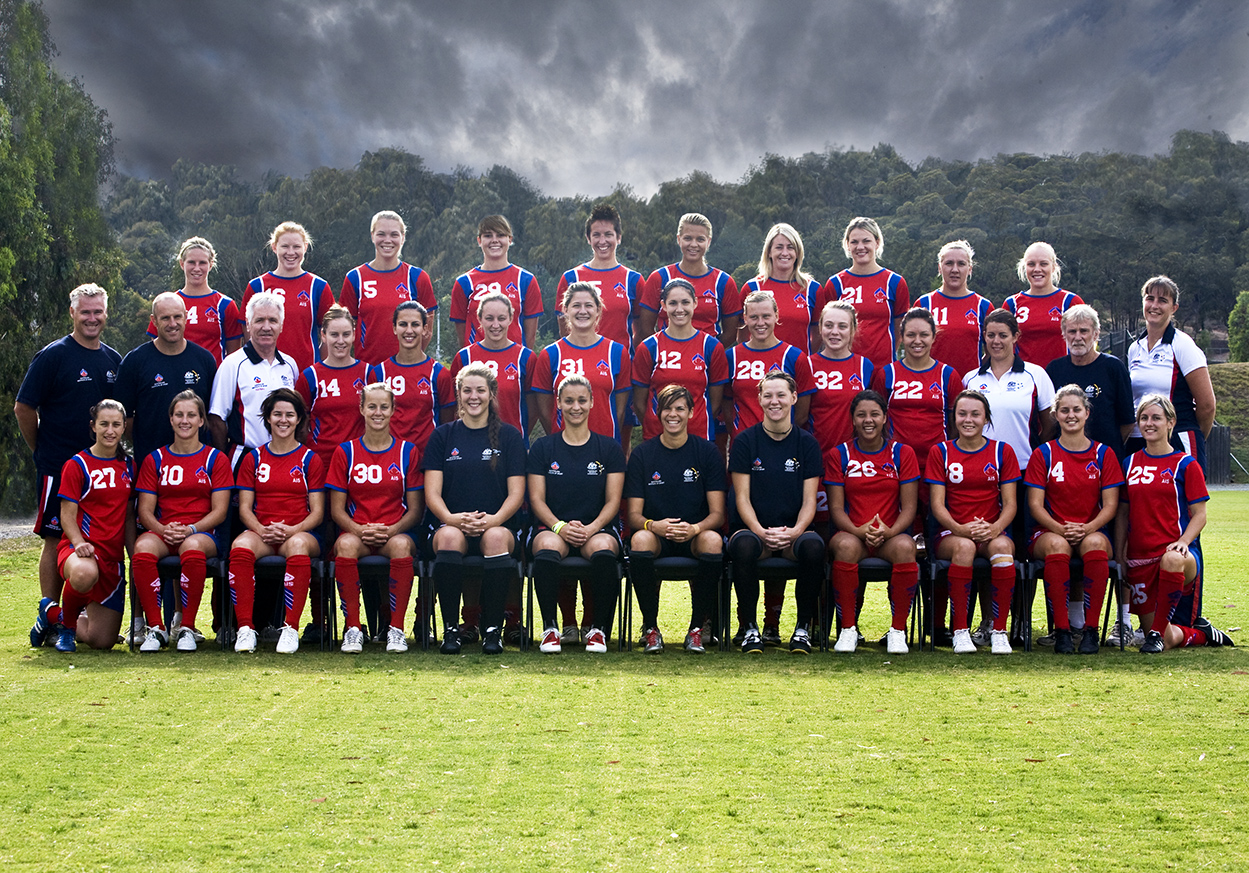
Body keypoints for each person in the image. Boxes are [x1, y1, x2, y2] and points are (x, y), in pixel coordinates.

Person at [18, 284, 122, 649]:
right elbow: (24, 408)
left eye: (98, 312)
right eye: (85, 312)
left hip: (102, 469)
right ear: (72, 313)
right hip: (59, 465)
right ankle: (49, 612)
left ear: (105, 314)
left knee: (95, 539)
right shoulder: (53, 356)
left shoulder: (112, 359)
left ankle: (72, 619)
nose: (92, 318)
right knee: (55, 536)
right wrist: (43, 450)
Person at [1114, 394, 1232, 652]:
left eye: (1156, 417)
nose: (1149, 423)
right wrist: (1120, 551)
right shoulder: (1130, 463)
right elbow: (1122, 514)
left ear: (1170, 422)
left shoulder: (1185, 464)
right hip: (1140, 559)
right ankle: (1202, 635)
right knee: (1165, 641)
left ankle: (1156, 631)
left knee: (1172, 559)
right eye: (1144, 418)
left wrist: (1183, 542)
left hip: (1177, 556)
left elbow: (1199, 514)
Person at [424, 363, 527, 655]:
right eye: (467, 390)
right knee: (448, 539)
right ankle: (451, 630)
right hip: (451, 522)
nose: (474, 396)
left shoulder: (509, 437)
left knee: (494, 538)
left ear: (491, 393)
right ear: (458, 394)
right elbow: (432, 494)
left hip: (497, 524)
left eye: (481, 390)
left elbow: (516, 494)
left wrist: (493, 520)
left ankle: (492, 630)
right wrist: (451, 519)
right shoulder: (443, 435)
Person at [527, 374, 627, 654]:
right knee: (546, 546)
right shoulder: (543, 448)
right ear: (558, 403)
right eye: (568, 400)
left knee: (604, 548)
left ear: (593, 402)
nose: (576, 406)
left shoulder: (609, 448)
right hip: (554, 528)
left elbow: (613, 500)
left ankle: (597, 629)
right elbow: (536, 499)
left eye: (582, 400)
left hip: (596, 528)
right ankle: (550, 628)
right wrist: (559, 527)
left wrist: (592, 527)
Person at [625, 385, 726, 654]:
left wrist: (695, 528)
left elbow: (717, 514)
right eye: (667, 408)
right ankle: (650, 628)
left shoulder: (707, 452)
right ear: (658, 413)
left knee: (713, 541)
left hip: (694, 534)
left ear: (691, 413)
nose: (673, 414)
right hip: (658, 533)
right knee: (640, 539)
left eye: (680, 408)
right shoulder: (642, 454)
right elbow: (634, 515)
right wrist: (652, 525)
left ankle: (696, 629)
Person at [728, 373, 824, 655]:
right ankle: (750, 629)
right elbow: (742, 498)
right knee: (743, 545)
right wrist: (760, 531)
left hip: (792, 533)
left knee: (814, 547)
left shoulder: (807, 444)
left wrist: (795, 531)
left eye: (781, 395)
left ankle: (802, 629)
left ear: (794, 398)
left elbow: (810, 501)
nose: (775, 401)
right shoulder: (745, 441)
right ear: (759, 400)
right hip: (755, 532)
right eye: (768, 395)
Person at [1025, 385, 1123, 655]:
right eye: (1064, 410)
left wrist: (1088, 527)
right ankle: (1063, 632)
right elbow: (1035, 505)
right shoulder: (1043, 453)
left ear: (1087, 413)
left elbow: (1111, 505)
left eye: (1076, 409)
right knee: (1057, 545)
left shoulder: (1103, 454)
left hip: (1091, 528)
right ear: (1055, 415)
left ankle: (1091, 631)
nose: (1071, 415)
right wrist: (1060, 528)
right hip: (1050, 530)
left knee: (1095, 544)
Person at [132, 391, 233, 653]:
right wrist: (163, 530)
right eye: (179, 415)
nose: (184, 420)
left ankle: (186, 627)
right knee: (142, 549)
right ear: (171, 419)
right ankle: (156, 628)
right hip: (164, 531)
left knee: (192, 548)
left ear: (202, 421)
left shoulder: (215, 459)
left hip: (202, 532)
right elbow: (145, 511)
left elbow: (220, 511)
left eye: (191, 415)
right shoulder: (155, 459)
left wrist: (191, 529)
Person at [327, 383, 424, 654]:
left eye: (384, 406)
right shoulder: (345, 452)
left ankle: (396, 629)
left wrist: (391, 530)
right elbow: (337, 510)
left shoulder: (408, 452)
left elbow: (415, 510)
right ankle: (354, 629)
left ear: (393, 410)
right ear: (361, 409)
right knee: (344, 546)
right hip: (358, 532)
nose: (377, 412)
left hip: (396, 532)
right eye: (372, 406)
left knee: (403, 547)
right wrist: (359, 530)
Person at [228, 389, 325, 654]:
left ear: (299, 420)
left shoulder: (309, 459)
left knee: (297, 546)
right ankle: (246, 629)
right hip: (262, 532)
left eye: (289, 415)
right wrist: (261, 530)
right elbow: (245, 509)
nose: (283, 420)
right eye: (277, 414)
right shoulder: (254, 458)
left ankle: (290, 628)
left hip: (299, 532)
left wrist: (291, 530)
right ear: (268, 419)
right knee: (240, 547)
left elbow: (317, 512)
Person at [825, 390, 921, 655]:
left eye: (875, 414)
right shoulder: (839, 454)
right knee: (844, 547)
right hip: (853, 533)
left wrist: (889, 532)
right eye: (861, 415)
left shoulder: (902, 453)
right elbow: (835, 507)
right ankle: (847, 630)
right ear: (853, 420)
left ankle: (898, 631)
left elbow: (909, 507)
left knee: (905, 548)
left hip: (890, 535)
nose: (868, 420)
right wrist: (858, 530)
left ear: (884, 418)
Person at [35, 400, 134, 653]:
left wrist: (134, 555)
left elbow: (129, 517)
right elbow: (66, 516)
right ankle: (66, 628)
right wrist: (79, 543)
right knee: (84, 574)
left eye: (116, 424)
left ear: (124, 428)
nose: (110, 430)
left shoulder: (130, 466)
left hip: (112, 560)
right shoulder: (77, 464)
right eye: (104, 424)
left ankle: (50, 613)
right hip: (80, 552)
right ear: (93, 426)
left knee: (101, 641)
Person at [926, 390, 1021, 655]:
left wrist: (994, 528)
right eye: (962, 414)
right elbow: (937, 504)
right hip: (952, 533)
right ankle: (960, 631)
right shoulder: (941, 451)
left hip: (991, 530)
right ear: (954, 417)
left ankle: (999, 631)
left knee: (1004, 548)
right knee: (964, 548)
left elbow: (1010, 503)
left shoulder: (1002, 451)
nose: (969, 420)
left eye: (975, 414)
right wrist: (960, 529)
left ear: (986, 418)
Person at [1125, 275, 1216, 472]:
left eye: (1163, 300)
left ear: (1174, 308)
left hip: (1178, 437)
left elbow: (1207, 405)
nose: (1154, 305)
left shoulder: (1182, 345)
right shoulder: (1135, 348)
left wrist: (1192, 435)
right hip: (1140, 439)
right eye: (1150, 298)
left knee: (1184, 501)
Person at [116, 292, 217, 467]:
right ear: (154, 320)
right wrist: (145, 442)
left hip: (198, 464)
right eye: (165, 318)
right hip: (151, 465)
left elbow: (212, 414)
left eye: (177, 317)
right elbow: (125, 419)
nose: (172, 324)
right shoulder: (134, 362)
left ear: (186, 317)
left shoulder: (205, 360)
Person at [632, 278, 729, 442]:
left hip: (698, 437)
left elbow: (715, 403)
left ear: (695, 303)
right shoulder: (649, 347)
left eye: (685, 302)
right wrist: (656, 426)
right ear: (663, 306)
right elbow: (640, 404)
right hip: (657, 437)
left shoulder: (711, 347)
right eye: (673, 303)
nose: (679, 309)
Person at [208, 291, 300, 462]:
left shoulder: (289, 365)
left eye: (272, 320)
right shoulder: (232, 364)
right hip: (245, 457)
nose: (266, 327)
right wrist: (222, 463)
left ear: (281, 325)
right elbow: (216, 419)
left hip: (285, 458)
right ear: (248, 325)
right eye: (259, 320)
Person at [962, 308, 1055, 475]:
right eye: (991, 335)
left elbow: (1050, 424)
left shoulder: (1036, 375)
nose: (996, 341)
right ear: (984, 336)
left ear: (1015, 337)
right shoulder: (970, 379)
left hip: (1025, 468)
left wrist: (1034, 453)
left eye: (1003, 335)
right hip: (981, 468)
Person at [533, 282, 630, 441]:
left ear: (598, 310)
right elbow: (544, 411)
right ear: (565, 310)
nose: (582, 311)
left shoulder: (617, 353)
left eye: (589, 306)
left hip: (605, 447)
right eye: (576, 305)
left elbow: (619, 411)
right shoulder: (550, 354)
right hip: (564, 447)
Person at [339, 210, 438, 365]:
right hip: (368, 370)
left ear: (403, 238)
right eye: (381, 234)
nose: (387, 240)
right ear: (372, 236)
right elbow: (344, 330)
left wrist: (409, 359)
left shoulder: (417, 277)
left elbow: (427, 331)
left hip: (406, 370)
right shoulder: (355, 277)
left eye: (394, 234)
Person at [1045, 304, 1134, 462]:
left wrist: (1108, 448)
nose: (1078, 337)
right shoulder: (1054, 370)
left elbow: (1127, 422)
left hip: (1106, 461)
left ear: (1096, 334)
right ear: (1064, 334)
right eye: (1072, 331)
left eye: (1084, 331)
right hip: (1065, 461)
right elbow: (1049, 422)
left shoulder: (1113, 368)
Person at [638, 212, 741, 345]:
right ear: (678, 239)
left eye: (700, 239)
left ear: (708, 242)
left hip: (706, 362)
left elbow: (731, 334)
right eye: (688, 238)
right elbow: (645, 329)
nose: (693, 244)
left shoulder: (723, 281)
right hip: (667, 360)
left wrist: (708, 353)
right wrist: (665, 351)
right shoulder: (659, 277)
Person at [722, 289, 814, 438]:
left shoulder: (794, 357)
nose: (760, 323)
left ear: (776, 316)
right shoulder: (731, 357)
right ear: (745, 319)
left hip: (782, 444)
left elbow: (802, 414)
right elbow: (726, 405)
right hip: (743, 444)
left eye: (766, 316)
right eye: (754, 317)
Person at [367, 301, 454, 459]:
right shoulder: (379, 373)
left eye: (415, 324)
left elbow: (446, 423)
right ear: (394, 328)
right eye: (402, 324)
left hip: (428, 460)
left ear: (425, 329)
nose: (409, 330)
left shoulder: (439, 373)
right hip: (389, 460)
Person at [244, 222, 334, 373]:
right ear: (274, 247)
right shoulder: (257, 286)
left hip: (305, 371)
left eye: (296, 247)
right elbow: (248, 334)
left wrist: (318, 367)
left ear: (305, 247)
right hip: (265, 372)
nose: (290, 252)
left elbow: (330, 334)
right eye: (285, 246)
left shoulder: (318, 286)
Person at [821, 217, 910, 369]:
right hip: (845, 368)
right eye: (854, 242)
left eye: (866, 241)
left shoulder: (894, 282)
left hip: (882, 368)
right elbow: (826, 328)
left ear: (877, 243)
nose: (860, 246)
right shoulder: (836, 283)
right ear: (847, 245)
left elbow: (900, 329)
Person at [450, 292, 535, 443]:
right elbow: (455, 406)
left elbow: (534, 408)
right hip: (471, 444)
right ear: (480, 319)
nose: (495, 325)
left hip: (512, 444)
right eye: (489, 318)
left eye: (501, 318)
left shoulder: (526, 357)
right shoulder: (464, 357)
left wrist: (517, 437)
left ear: (510, 318)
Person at [555, 203, 643, 349]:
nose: (602, 241)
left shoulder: (633, 280)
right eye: (596, 235)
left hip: (620, 367)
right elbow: (565, 331)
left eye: (608, 234)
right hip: (580, 366)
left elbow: (641, 332)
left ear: (619, 237)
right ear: (588, 238)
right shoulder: (571, 278)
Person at [296, 306, 371, 475]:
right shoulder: (309, 376)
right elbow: (300, 425)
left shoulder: (369, 374)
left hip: (359, 463)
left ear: (354, 334)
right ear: (323, 335)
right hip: (321, 462)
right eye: (334, 335)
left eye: (345, 334)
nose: (340, 341)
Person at [146, 237, 243, 366]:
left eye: (202, 263)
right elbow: (156, 348)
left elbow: (234, 356)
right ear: (182, 264)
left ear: (211, 264)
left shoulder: (224, 304)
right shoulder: (167, 303)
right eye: (191, 262)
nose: (197, 268)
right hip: (175, 378)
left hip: (212, 381)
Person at [450, 215, 543, 348]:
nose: (494, 240)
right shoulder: (464, 282)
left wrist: (521, 361)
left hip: (513, 364)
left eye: (500, 235)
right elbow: (461, 334)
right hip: (477, 365)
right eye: (488, 235)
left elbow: (530, 336)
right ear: (479, 241)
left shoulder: (525, 280)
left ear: (509, 239)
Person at [807, 300, 874, 482]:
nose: (834, 332)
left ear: (853, 330)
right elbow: (799, 417)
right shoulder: (807, 365)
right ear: (820, 328)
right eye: (829, 325)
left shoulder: (864, 367)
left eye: (842, 326)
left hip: (855, 462)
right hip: (816, 459)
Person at [914, 240, 992, 378]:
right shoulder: (924, 303)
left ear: (970, 269)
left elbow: (993, 350)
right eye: (949, 263)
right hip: (931, 385)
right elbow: (913, 347)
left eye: (961, 264)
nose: (954, 269)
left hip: (969, 388)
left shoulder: (983, 306)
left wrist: (976, 372)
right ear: (939, 267)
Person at [739, 223, 821, 354]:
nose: (785, 253)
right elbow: (742, 335)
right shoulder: (752, 287)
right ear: (769, 252)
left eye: (790, 247)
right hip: (762, 369)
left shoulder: (812, 288)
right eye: (779, 247)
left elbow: (818, 334)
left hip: (797, 370)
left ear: (798, 252)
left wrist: (800, 359)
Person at [1001, 242, 1083, 368]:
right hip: (1024, 380)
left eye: (1043, 264)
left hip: (1062, 378)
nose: (1037, 269)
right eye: (1031, 264)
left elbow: (1087, 342)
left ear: (1054, 267)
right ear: (1024, 267)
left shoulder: (1070, 301)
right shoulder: (1012, 304)